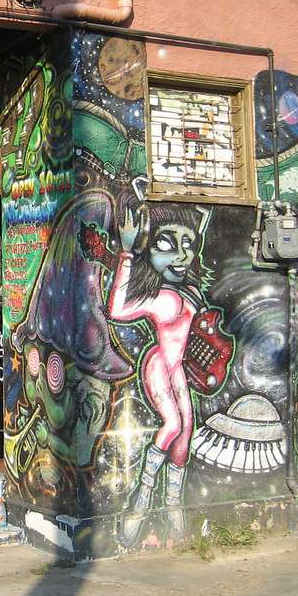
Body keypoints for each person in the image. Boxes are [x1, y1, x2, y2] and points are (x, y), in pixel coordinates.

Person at [107, 202, 210, 544]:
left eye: (188, 245)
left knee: (185, 436)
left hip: (178, 368)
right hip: (158, 365)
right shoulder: (158, 297)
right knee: (173, 425)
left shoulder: (190, 292)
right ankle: (141, 500)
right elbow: (118, 309)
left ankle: (173, 504)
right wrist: (125, 253)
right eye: (166, 245)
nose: (181, 256)